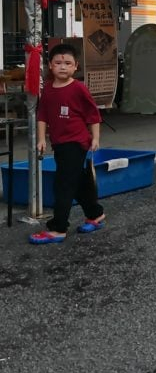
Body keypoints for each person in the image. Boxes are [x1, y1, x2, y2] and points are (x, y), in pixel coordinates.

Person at [29, 44, 105, 245]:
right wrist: (41, 139)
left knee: (63, 185)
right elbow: (42, 115)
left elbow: (93, 115)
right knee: (78, 182)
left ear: (75, 66)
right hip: (59, 143)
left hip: (77, 142)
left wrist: (95, 138)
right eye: (58, 63)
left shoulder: (79, 88)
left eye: (67, 63)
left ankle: (58, 227)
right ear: (50, 65)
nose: (63, 67)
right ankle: (95, 215)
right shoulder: (47, 89)